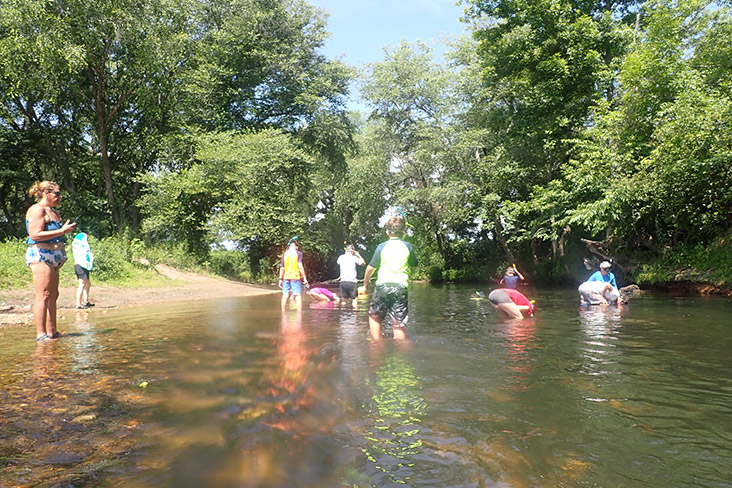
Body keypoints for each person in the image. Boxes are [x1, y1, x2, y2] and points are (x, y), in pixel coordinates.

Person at [25, 181, 77, 341]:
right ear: (46, 193)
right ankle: (41, 335)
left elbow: (58, 236)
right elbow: (34, 235)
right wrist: (61, 230)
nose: (60, 197)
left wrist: (62, 254)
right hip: (40, 254)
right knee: (44, 294)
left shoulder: (54, 213)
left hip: (55, 256)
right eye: (57, 193)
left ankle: (52, 331)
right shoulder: (36, 209)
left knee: (54, 294)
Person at [363, 216, 418, 341]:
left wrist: (366, 284)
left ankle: (376, 346)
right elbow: (414, 265)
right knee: (398, 323)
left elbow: (370, 268)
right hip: (400, 287)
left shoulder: (381, 247)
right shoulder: (408, 247)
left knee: (374, 316)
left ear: (387, 232)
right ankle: (401, 355)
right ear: (403, 233)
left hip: (383, 285)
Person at [279, 237, 309, 310]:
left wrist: (280, 279)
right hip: (295, 277)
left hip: (286, 277)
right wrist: (305, 278)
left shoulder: (285, 254)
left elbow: (282, 267)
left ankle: (283, 312)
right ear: (295, 247)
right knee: (297, 295)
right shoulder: (298, 253)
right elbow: (300, 266)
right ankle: (299, 313)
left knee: (285, 294)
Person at [72, 232, 95, 309]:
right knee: (82, 284)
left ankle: (86, 301)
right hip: (81, 266)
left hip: (80, 266)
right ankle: (78, 303)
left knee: (87, 283)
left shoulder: (76, 245)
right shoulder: (81, 246)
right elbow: (86, 255)